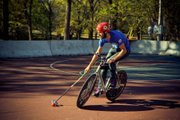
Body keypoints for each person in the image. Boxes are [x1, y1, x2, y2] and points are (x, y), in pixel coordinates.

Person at [84, 22, 130, 96]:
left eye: (100, 33)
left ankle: (113, 82)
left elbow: (124, 51)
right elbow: (97, 53)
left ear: (105, 32)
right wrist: (89, 66)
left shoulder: (116, 36)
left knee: (111, 62)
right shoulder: (102, 39)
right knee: (103, 65)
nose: (99, 34)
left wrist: (113, 59)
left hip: (125, 50)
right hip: (114, 48)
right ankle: (100, 88)